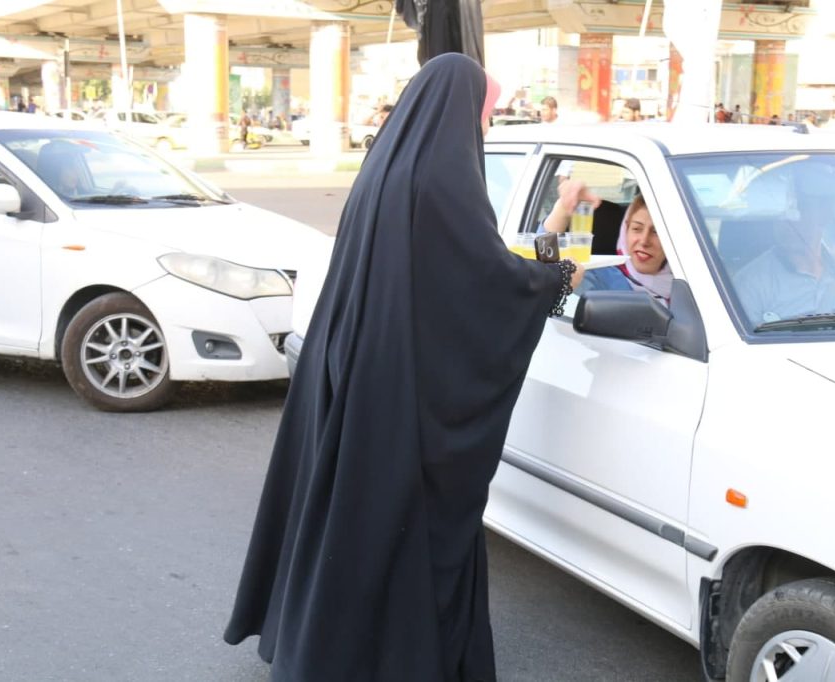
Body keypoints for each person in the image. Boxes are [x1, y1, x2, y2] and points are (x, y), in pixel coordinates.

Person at [223, 53, 584, 682]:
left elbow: (457, 271)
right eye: (486, 115)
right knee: (405, 537)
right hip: (404, 402)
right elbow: (485, 282)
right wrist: (554, 276)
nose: (486, 129)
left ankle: (328, 651)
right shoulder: (444, 182)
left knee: (353, 530)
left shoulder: (386, 168)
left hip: (360, 379)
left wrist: (554, 226)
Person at [732, 202, 835, 325]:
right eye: (781, 214)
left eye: (797, 212)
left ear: (824, 216)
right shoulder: (751, 281)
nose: (787, 223)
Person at [542, 179, 673, 302]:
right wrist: (562, 211)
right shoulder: (596, 277)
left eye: (656, 232)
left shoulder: (687, 278)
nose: (644, 241)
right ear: (624, 232)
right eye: (637, 228)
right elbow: (543, 265)